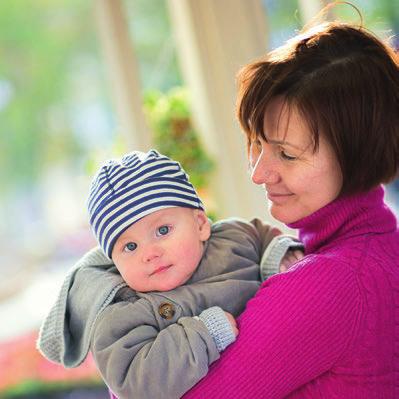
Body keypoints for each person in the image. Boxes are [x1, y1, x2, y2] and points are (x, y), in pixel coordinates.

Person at [181, 14, 399, 399]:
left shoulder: (330, 284)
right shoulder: (383, 251)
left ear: (357, 154)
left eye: (287, 154)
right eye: (258, 144)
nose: (260, 173)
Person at [37, 149, 302, 399]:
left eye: (162, 231)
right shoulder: (123, 312)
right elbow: (136, 382)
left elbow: (265, 237)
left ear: (199, 224)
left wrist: (279, 257)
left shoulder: (235, 238)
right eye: (130, 246)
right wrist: (202, 335)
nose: (149, 253)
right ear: (115, 263)